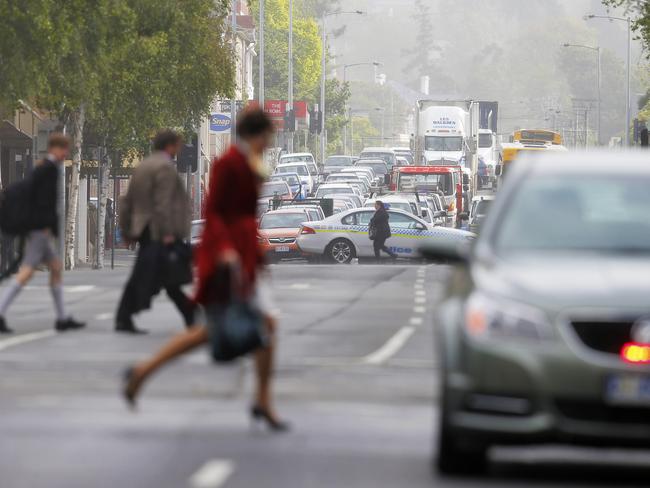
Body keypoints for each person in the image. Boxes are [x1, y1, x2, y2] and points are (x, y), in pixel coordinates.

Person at [121, 109, 287, 431]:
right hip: (228, 257)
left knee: (234, 329)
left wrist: (255, 249)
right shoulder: (229, 163)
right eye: (268, 135)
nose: (270, 142)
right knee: (246, 326)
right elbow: (215, 213)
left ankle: (261, 399)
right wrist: (226, 249)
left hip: (244, 256)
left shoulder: (251, 163)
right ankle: (261, 400)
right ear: (257, 134)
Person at [0, 134, 85, 334]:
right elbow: (44, 202)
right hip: (40, 229)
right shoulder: (48, 170)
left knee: (55, 267)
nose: (66, 154)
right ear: (55, 148)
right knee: (27, 272)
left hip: (38, 228)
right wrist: (47, 227)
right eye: (64, 150)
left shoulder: (42, 168)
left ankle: (62, 318)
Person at [115, 130, 195, 335]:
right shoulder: (164, 167)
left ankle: (192, 316)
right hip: (158, 231)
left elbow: (127, 200)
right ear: (170, 145)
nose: (179, 149)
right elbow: (163, 203)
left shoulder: (144, 165)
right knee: (160, 276)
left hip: (145, 229)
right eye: (178, 145)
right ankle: (124, 317)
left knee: (165, 277)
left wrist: (126, 230)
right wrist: (168, 232)